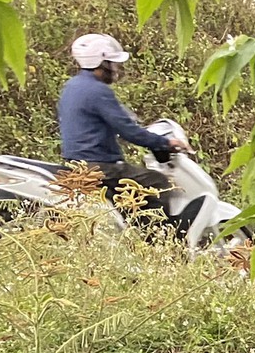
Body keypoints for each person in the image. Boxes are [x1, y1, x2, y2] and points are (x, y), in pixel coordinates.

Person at [56, 34, 187, 223]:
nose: (115, 69)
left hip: (75, 163)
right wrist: (166, 142)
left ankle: (132, 226)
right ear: (101, 64)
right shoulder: (99, 91)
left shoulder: (71, 86)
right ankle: (157, 237)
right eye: (112, 63)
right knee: (157, 182)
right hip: (101, 167)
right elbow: (129, 131)